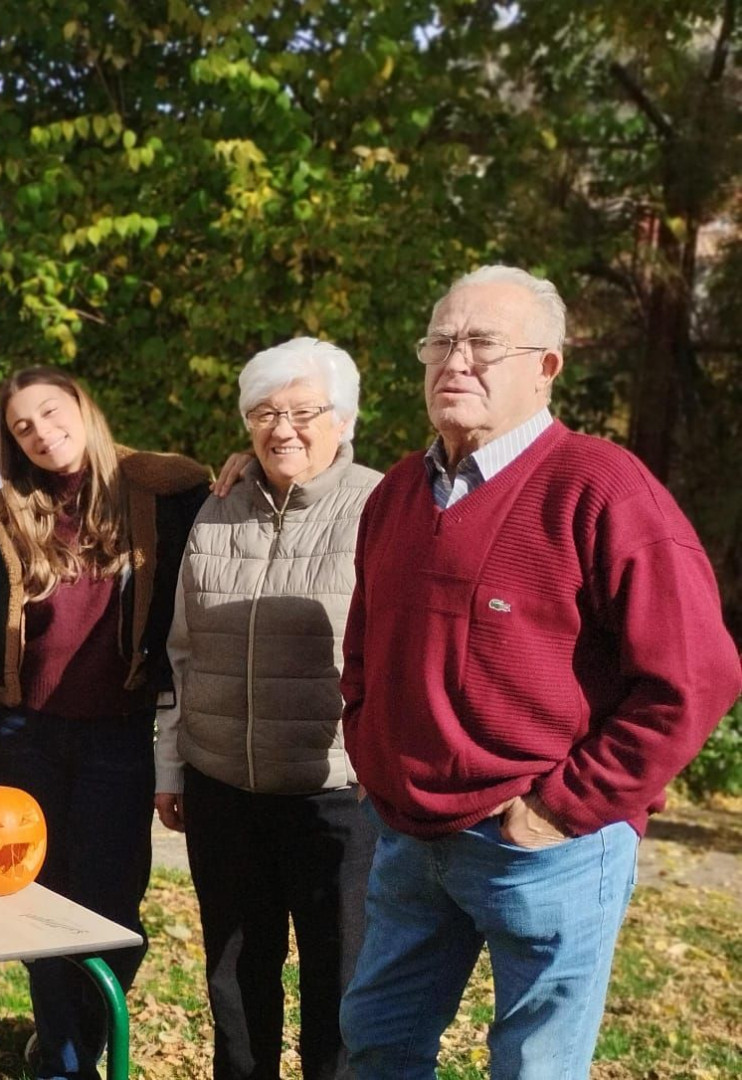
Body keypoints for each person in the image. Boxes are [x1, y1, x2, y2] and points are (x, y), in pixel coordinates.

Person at [338, 266, 742, 1079]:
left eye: (482, 344)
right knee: (378, 1046)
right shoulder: (397, 495)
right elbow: (365, 647)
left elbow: (696, 676)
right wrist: (373, 752)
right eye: (440, 342)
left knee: (534, 1069)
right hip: (409, 839)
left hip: (542, 846)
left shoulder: (602, 487)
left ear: (546, 366)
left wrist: (564, 807)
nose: (455, 361)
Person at [0, 367, 209, 1080]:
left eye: (51, 411)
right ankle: (65, 1061)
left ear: (82, 406)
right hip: (26, 738)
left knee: (112, 909)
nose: (42, 431)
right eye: (23, 427)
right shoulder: (5, 516)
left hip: (118, 733)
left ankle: (79, 1042)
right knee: (42, 902)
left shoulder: (162, 493)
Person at [154, 338, 381, 1080]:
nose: (282, 429)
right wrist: (173, 764)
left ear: (342, 418)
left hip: (337, 795)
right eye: (263, 413)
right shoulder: (218, 510)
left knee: (339, 989)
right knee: (235, 984)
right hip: (224, 787)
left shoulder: (381, 508)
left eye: (302, 411)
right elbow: (181, 650)